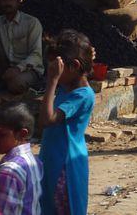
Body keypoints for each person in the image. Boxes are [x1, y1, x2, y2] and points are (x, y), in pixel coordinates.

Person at [39, 29, 96, 215]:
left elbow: (47, 120)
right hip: (52, 158)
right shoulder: (69, 85)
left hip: (65, 166)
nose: (54, 72)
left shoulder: (82, 95)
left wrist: (51, 81)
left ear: (73, 67)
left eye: (58, 69)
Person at [0, 102, 43, 215]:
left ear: (22, 134)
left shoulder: (9, 170)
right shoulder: (35, 161)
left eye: (1, 134)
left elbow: (3, 212)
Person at [0, 0, 44, 94]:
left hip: (28, 69)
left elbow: (36, 55)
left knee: (15, 84)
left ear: (18, 1)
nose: (7, 3)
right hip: (7, 66)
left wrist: (18, 69)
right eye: (4, 0)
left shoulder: (31, 22)